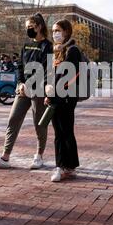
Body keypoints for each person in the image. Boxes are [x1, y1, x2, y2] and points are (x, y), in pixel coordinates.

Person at [0, 13, 53, 170]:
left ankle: (39, 156)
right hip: (23, 90)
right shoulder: (26, 46)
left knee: (39, 123)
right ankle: (5, 157)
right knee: (13, 119)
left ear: (40, 26)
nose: (28, 30)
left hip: (39, 89)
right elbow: (20, 66)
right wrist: (21, 82)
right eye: (26, 27)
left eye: (31, 27)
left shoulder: (48, 47)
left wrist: (29, 84)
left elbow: (46, 69)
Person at [45, 19, 81, 182]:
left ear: (66, 31)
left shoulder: (72, 50)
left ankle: (60, 167)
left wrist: (53, 93)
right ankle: (70, 166)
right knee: (62, 132)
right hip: (56, 96)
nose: (55, 34)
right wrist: (48, 93)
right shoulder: (57, 51)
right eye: (53, 31)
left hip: (66, 97)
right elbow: (51, 75)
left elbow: (67, 73)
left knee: (63, 132)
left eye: (58, 30)